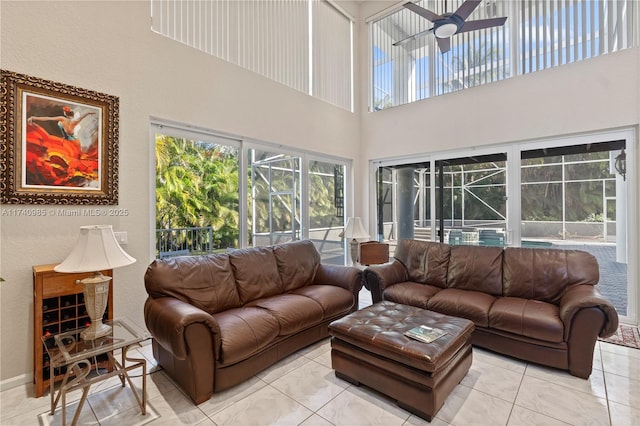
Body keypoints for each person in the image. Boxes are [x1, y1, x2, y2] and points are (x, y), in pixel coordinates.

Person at [28, 106, 95, 141]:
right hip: (73, 141)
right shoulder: (75, 121)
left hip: (68, 141)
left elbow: (48, 118)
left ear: (65, 113)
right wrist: (88, 113)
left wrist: (34, 117)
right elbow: (82, 117)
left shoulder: (62, 119)